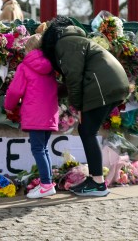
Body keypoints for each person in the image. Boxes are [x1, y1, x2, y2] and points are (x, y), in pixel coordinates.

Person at [41, 15, 130, 197]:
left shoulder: (64, 44)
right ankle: (95, 179)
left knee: (87, 131)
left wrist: (78, 106)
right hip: (113, 83)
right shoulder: (76, 40)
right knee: (86, 130)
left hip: (102, 85)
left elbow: (74, 77)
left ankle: (98, 183)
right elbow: (72, 80)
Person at [4, 33, 59, 199]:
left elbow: (15, 90)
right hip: (49, 114)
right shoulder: (51, 66)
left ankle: (46, 185)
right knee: (43, 149)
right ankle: (48, 183)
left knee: (38, 149)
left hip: (34, 115)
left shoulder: (25, 66)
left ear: (28, 49)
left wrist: (8, 106)